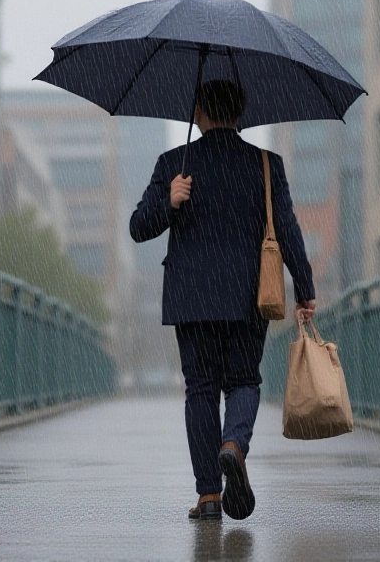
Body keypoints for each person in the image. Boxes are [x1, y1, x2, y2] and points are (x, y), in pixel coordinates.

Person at [129, 79, 316, 522]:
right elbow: (287, 230)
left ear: (198, 111)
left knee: (199, 390)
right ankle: (234, 444)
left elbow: (139, 227)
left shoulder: (174, 164)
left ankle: (209, 495)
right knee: (244, 381)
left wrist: (169, 203)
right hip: (248, 295)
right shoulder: (266, 165)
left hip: (190, 297)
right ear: (241, 112)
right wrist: (304, 289)